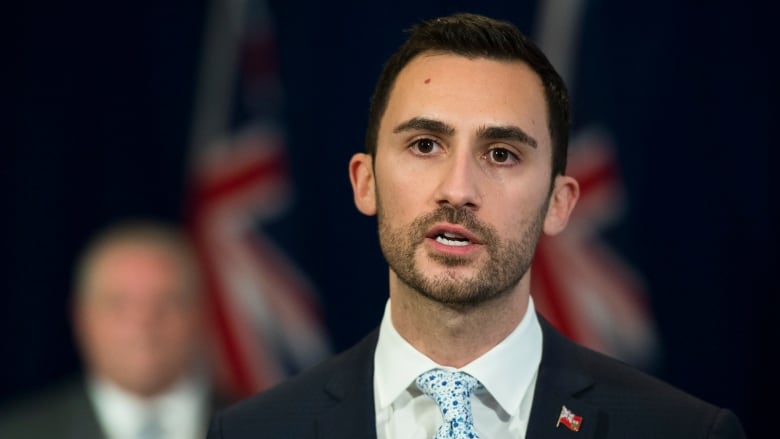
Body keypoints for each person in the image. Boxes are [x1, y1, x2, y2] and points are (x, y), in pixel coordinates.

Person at [206, 13, 746, 438]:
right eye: (424, 145)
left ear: (560, 203)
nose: (459, 188)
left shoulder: (680, 431)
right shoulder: (254, 431)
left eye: (502, 154)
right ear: (364, 182)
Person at [0, 220, 227, 439]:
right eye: (118, 304)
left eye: (166, 301)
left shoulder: (257, 427)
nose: (143, 322)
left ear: (200, 314)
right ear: (81, 319)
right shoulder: (13, 433)